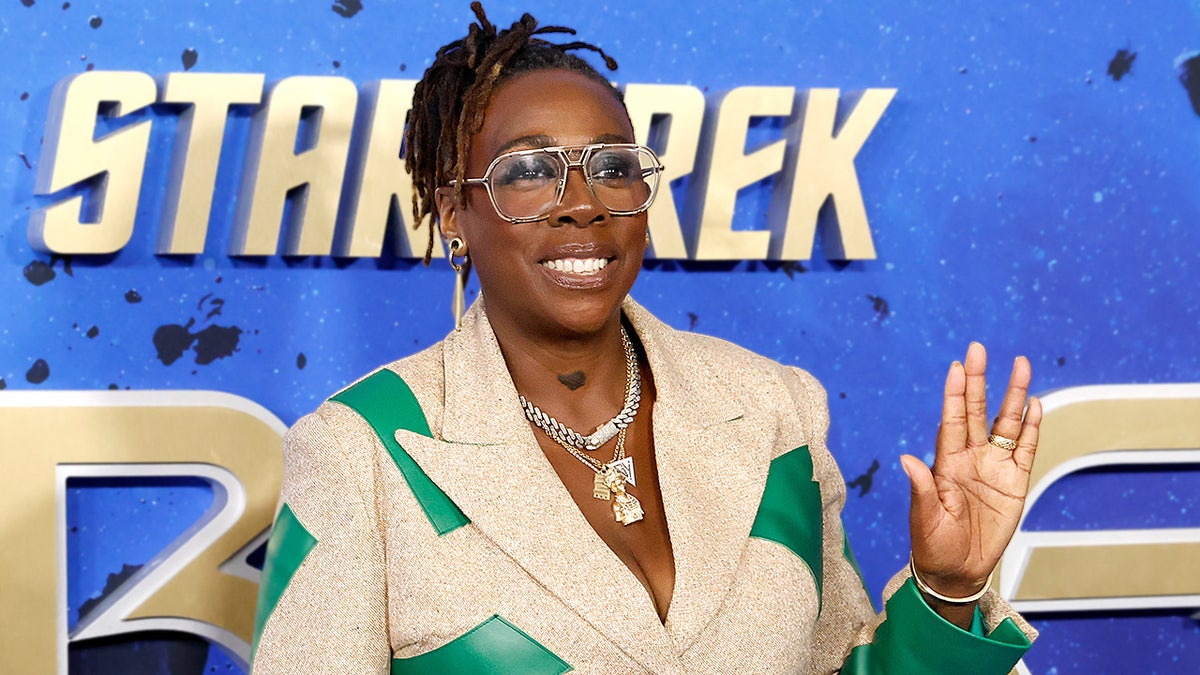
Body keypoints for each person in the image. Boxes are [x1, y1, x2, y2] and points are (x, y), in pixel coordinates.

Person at [249, 4, 1042, 672]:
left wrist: (947, 592)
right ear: (454, 214)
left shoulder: (773, 412)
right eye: (529, 171)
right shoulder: (360, 453)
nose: (582, 203)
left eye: (613, 166)